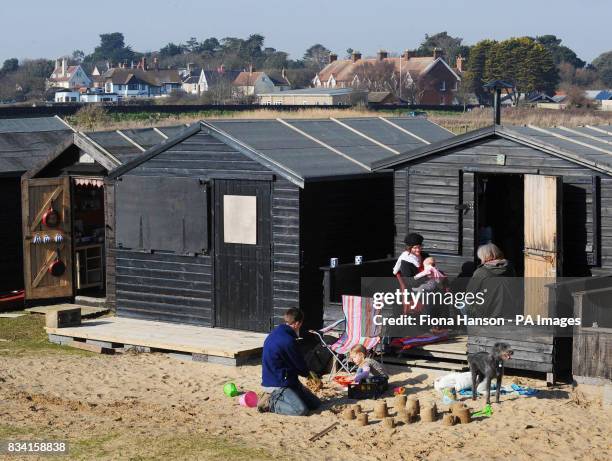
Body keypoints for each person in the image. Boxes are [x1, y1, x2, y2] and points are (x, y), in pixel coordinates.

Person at [258, 308, 321, 416]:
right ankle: (270, 402)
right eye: (301, 324)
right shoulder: (288, 340)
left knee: (315, 404)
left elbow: (294, 363)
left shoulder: (278, 333)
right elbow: (299, 365)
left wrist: (306, 373)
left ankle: (290, 394)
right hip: (277, 383)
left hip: (287, 378)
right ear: (297, 323)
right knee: (301, 410)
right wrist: (309, 374)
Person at [465, 243, 517, 318]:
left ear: (483, 256)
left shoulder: (481, 272)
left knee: (462, 304)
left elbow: (469, 296)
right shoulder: (510, 268)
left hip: (486, 314)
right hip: (509, 312)